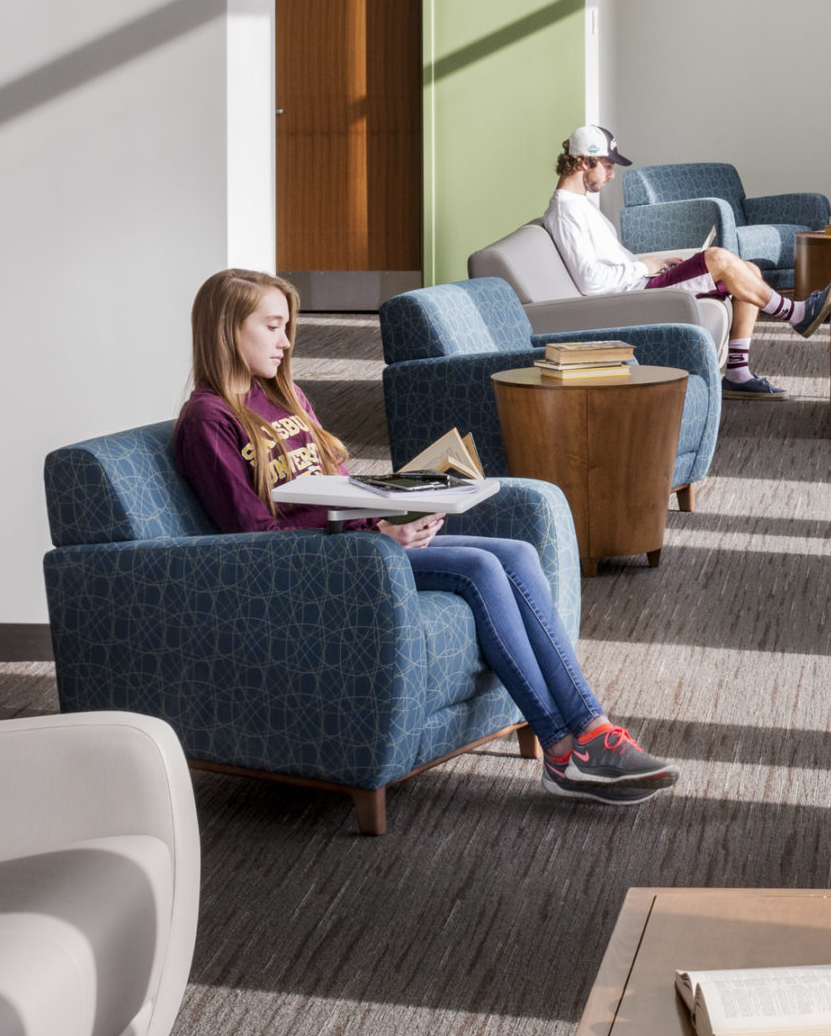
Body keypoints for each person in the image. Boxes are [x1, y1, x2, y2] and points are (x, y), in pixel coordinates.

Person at [172, 269, 678, 809]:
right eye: (272, 326)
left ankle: (593, 727)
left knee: (517, 553)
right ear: (228, 330)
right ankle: (561, 748)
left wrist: (400, 503)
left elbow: (335, 488)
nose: (287, 340)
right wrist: (379, 530)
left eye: (287, 326)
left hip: (363, 543)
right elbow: (252, 535)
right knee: (481, 570)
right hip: (317, 566)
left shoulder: (287, 395)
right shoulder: (209, 419)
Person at [541, 124, 831, 396]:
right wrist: (644, 267)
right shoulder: (565, 212)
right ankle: (796, 314)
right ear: (583, 163)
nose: (611, 175)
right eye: (607, 166)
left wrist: (651, 261)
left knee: (749, 270)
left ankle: (737, 373)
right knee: (718, 258)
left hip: (639, 280)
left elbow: (607, 260)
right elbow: (590, 280)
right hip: (632, 295)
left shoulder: (579, 205)